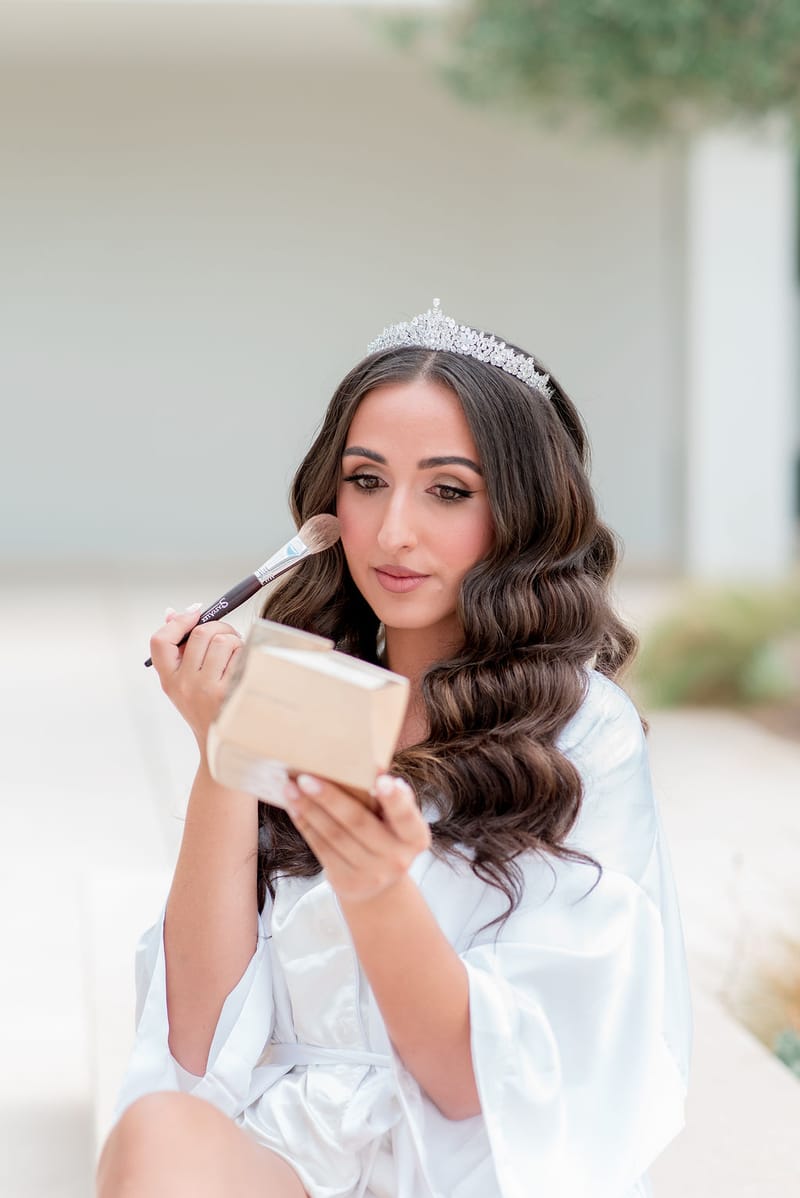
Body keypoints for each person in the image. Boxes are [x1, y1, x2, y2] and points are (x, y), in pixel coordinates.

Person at [97, 300, 692, 1198]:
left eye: (448, 491)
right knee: (158, 1135)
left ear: (521, 513)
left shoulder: (579, 730)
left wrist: (377, 887)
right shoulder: (306, 690)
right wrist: (225, 753)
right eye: (367, 481)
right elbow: (196, 1043)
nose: (392, 530)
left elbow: (475, 1085)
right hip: (295, 1148)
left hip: (475, 1163)